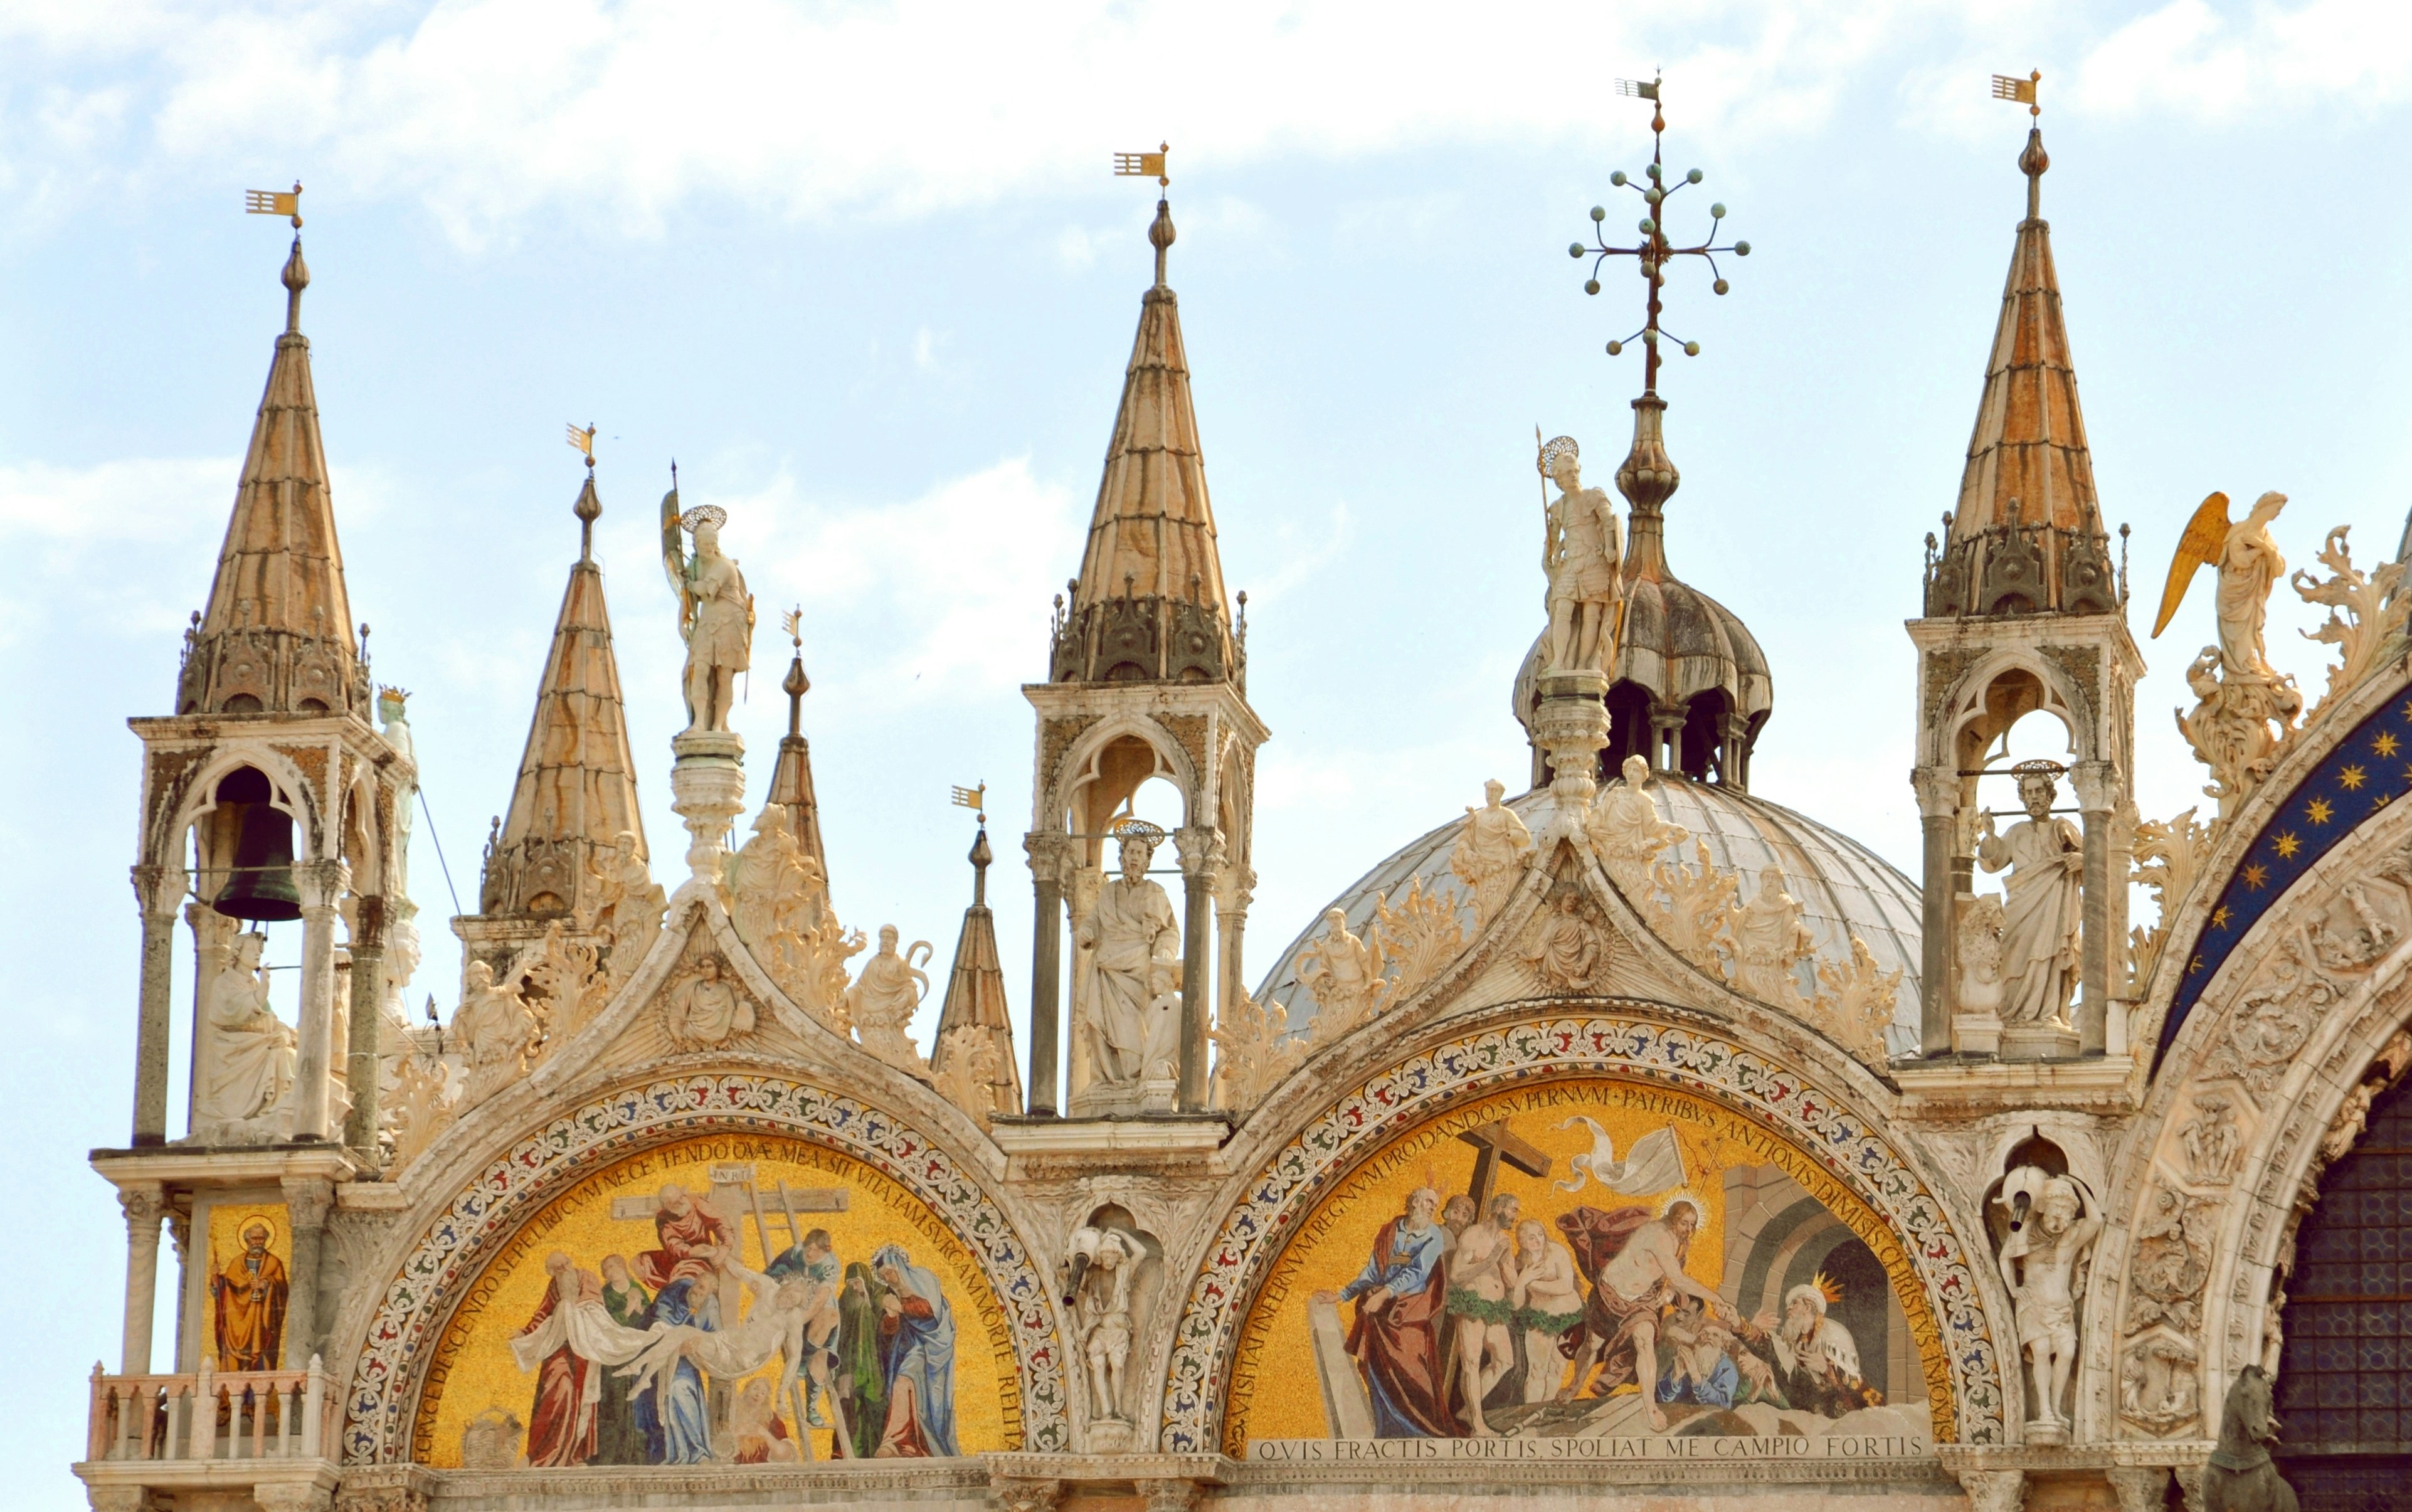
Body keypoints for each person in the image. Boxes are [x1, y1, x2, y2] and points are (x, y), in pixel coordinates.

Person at [1555, 1197, 1730, 1430]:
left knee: (1644, 1340)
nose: (1688, 1230)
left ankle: (1650, 1407)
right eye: (1684, 1223)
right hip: (1612, 1294)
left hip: (1642, 1300)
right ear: (1672, 1219)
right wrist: (1716, 1298)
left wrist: (1669, 1290)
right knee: (1592, 1342)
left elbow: (1673, 1276)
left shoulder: (1679, 1242)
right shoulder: (1657, 1234)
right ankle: (1575, 1386)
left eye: (1692, 1224)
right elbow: (1679, 1277)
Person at [1315, 1187, 1459, 1437]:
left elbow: (1418, 1271)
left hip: (1409, 1312)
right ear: (1413, 1202)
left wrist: (1384, 1294)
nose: (1432, 1207)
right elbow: (1372, 1271)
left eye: (1434, 1204)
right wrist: (1342, 1295)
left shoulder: (1433, 1235)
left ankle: (1423, 1432)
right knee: (1378, 1372)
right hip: (1381, 1311)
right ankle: (1389, 1431)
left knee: (1416, 1374)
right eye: (1427, 1201)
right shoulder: (1391, 1230)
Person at [1975, 766, 2083, 1028]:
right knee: (2013, 956)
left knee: (2049, 955)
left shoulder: (2062, 827)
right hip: (2022, 907)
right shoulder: (2017, 831)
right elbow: (1993, 862)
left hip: (2053, 906)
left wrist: (2080, 859)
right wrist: (1989, 835)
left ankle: (2048, 1012)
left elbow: (2096, 859)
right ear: (2023, 797)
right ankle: (2011, 1013)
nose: (2033, 797)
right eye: (2028, 792)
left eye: (2039, 791)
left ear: (2049, 795)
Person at [1074, 830, 1182, 1089]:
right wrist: (1086, 932)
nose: (1134, 858)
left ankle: (1133, 1079)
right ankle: (1106, 1080)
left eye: (1139, 853)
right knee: (1101, 1025)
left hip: (1138, 970)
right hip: (1106, 967)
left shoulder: (1155, 893)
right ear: (1122, 857)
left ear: (1147, 861)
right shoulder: (1108, 892)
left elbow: (1170, 932)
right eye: (1130, 852)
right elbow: (1093, 921)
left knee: (1134, 1028)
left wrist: (1164, 953)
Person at [665, 502, 754, 737]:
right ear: (695, 544)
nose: (707, 548)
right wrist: (681, 622)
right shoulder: (695, 565)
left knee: (724, 675)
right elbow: (688, 599)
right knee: (699, 668)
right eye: (702, 544)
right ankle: (699, 723)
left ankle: (718, 725)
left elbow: (705, 590)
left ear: (716, 544)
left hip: (729, 620)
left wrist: (689, 582)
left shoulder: (725, 565)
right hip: (708, 621)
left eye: (711, 544)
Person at [1540, 436, 1624, 675]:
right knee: (1563, 609)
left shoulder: (1594, 496)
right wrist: (1550, 555)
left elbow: (1609, 522)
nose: (1573, 475)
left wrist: (1610, 548)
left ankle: (1587, 664)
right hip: (1571, 564)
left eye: (1575, 470)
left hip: (1594, 561)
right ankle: (1559, 662)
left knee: (1591, 614)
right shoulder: (1558, 507)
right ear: (1558, 479)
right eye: (1567, 473)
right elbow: (1553, 538)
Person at [197, 932, 294, 1136]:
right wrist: (262, 992)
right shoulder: (224, 983)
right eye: (252, 950)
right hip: (238, 1052)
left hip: (261, 1047)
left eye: (259, 951)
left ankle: (276, 1112)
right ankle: (270, 1112)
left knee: (291, 1056)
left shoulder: (254, 985)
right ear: (237, 952)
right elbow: (231, 1013)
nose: (257, 954)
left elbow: (272, 1019)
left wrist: (283, 1033)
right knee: (285, 1057)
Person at [516, 1252, 606, 1467]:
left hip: (583, 1349)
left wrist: (571, 1311)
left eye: (565, 1264)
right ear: (552, 1272)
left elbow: (595, 1304)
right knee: (556, 1390)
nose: (564, 1270)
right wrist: (525, 1332)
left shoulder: (585, 1276)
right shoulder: (554, 1286)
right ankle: (543, 1453)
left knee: (581, 1398)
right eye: (558, 1268)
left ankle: (575, 1455)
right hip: (558, 1348)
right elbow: (543, 1313)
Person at [871, 1243, 960, 1456]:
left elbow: (932, 1310)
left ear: (900, 1266)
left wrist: (900, 1307)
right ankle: (897, 1442)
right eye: (885, 1276)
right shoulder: (891, 1294)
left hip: (935, 1347)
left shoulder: (922, 1279)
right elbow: (891, 1334)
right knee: (902, 1383)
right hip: (913, 1348)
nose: (890, 1279)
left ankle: (917, 1444)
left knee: (926, 1400)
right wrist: (891, 1318)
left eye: (891, 1272)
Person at [1447, 1193, 1524, 1435]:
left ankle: (1469, 1410)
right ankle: (1478, 1424)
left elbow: (1512, 1281)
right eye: (1513, 1210)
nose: (1515, 1216)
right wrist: (1490, 1259)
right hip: (1472, 1303)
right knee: (1470, 1362)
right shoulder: (1473, 1235)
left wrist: (1502, 1263)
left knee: (1505, 1361)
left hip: (1495, 1307)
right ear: (1499, 1208)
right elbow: (1457, 1274)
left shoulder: (1505, 1241)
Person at [1512, 1219, 1584, 1404]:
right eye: (1531, 1238)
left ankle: (1545, 1410)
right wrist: (1521, 1282)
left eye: (1540, 1235)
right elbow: (1517, 1305)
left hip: (1569, 1317)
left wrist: (1533, 1283)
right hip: (1540, 1318)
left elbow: (1566, 1285)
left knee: (1558, 1367)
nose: (1538, 1241)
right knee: (1537, 1369)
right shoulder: (1520, 1262)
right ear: (1522, 1242)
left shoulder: (1557, 1252)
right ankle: (1532, 1411)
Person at [847, 926, 931, 1074]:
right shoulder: (873, 963)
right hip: (869, 1017)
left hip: (889, 1017)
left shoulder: (900, 965)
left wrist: (901, 1002)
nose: (885, 941)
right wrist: (848, 996)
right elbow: (860, 987)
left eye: (889, 938)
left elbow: (910, 988)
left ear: (895, 942)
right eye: (883, 938)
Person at [595, 1255, 653, 1465]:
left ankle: (637, 1454)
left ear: (622, 1267)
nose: (609, 1271)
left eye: (612, 1266)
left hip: (638, 1350)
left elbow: (650, 1318)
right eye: (605, 1269)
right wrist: (629, 1308)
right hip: (614, 1356)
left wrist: (640, 1308)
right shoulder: (605, 1295)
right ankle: (612, 1454)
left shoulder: (637, 1288)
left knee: (639, 1402)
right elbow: (607, 1324)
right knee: (615, 1402)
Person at [1449, 780, 1535, 925]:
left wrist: (1512, 835)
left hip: (1503, 867)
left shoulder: (1507, 814)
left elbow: (1525, 838)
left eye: (1495, 791)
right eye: (1489, 790)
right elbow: (1464, 840)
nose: (1491, 794)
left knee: (1504, 905)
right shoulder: (1477, 817)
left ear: (1501, 794)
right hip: (1484, 871)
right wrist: (1467, 853)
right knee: (1488, 908)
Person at [211, 1219, 288, 1371]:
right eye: (254, 1238)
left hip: (261, 1320)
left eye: (261, 1238)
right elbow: (225, 1288)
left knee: (261, 1354)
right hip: (236, 1324)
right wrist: (216, 1279)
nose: (258, 1242)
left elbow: (282, 1289)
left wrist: (266, 1284)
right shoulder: (237, 1263)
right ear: (247, 1240)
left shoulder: (274, 1263)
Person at [834, 1261, 891, 1458]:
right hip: (850, 1363)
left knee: (874, 1406)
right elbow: (841, 1333)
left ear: (865, 1280)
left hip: (877, 1363)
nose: (854, 1288)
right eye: (849, 1283)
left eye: (856, 1282)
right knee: (851, 1408)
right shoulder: (847, 1299)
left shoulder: (879, 1294)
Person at [665, 954, 752, 1050]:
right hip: (693, 1031)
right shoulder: (694, 988)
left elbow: (731, 1013)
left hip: (719, 1032)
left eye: (709, 966)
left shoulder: (725, 990)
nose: (705, 970)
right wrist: (676, 1032)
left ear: (717, 969)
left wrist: (745, 1010)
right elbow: (677, 1008)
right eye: (703, 967)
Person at [731, 1377, 798, 1463]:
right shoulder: (731, 1413)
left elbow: (787, 1456)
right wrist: (738, 1433)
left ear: (765, 1399)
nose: (758, 1395)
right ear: (746, 1390)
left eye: (763, 1393)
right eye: (755, 1389)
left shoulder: (770, 1418)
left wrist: (765, 1434)